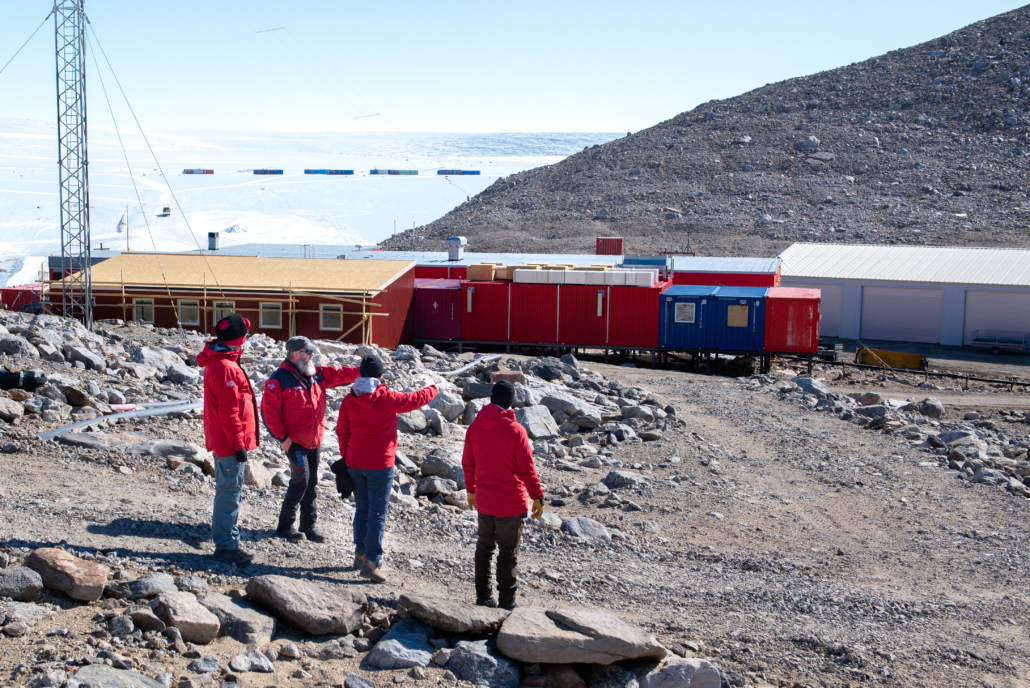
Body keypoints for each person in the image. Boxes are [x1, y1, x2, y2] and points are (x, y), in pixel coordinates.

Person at [334, 354, 438, 583]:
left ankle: (360, 555)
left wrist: (346, 455)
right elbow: (415, 399)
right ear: (381, 376)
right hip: (380, 465)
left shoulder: (349, 400)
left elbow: (342, 432)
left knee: (362, 510)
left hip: (355, 463)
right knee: (377, 514)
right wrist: (434, 388)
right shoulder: (386, 397)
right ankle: (372, 562)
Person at [261, 336, 360, 543]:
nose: (312, 355)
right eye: (308, 352)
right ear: (295, 354)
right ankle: (285, 527)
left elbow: (341, 374)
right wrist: (283, 438)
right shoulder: (278, 379)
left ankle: (308, 526)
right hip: (295, 441)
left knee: (311, 482)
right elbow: (268, 412)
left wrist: (365, 371)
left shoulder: (316, 374)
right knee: (301, 480)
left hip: (314, 440)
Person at [462, 380, 544, 609]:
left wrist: (471, 490)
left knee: (484, 547)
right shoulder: (516, 430)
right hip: (510, 503)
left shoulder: (475, 426)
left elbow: (468, 463)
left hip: (484, 500)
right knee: (508, 552)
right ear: (511, 403)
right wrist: (537, 495)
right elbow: (527, 469)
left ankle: (483, 596)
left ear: (491, 399)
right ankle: (507, 602)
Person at [197, 313, 259, 568]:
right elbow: (230, 413)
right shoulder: (226, 367)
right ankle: (224, 545)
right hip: (229, 443)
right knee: (229, 493)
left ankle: (230, 541)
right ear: (239, 340)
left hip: (224, 440)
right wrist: (239, 444)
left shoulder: (219, 360)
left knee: (230, 491)